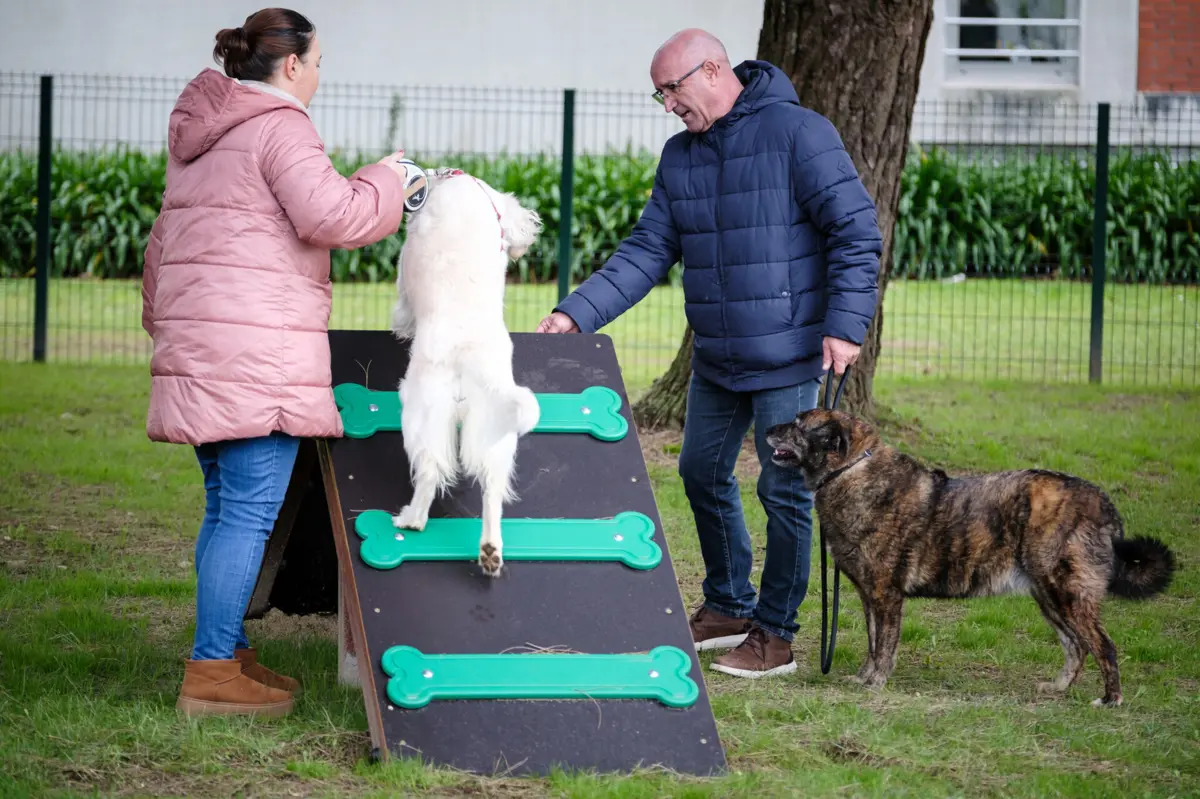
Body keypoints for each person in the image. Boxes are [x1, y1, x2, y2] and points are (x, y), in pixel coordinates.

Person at [537, 29, 882, 678]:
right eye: (658, 94)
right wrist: (574, 312)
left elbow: (856, 231)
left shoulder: (799, 133)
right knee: (699, 471)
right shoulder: (680, 158)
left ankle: (775, 634)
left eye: (673, 89)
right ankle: (727, 603)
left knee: (783, 492)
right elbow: (645, 251)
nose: (667, 104)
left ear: (715, 70)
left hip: (786, 353)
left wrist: (846, 324)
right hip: (718, 358)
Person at [140, 8, 418, 716]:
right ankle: (210, 675)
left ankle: (225, 651)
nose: (320, 75)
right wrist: (392, 177)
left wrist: (169, 333)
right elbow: (332, 215)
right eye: (319, 61)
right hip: (254, 354)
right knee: (247, 514)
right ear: (290, 65)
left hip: (204, 347)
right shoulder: (279, 124)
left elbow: (162, 243)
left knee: (225, 509)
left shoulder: (203, 135)